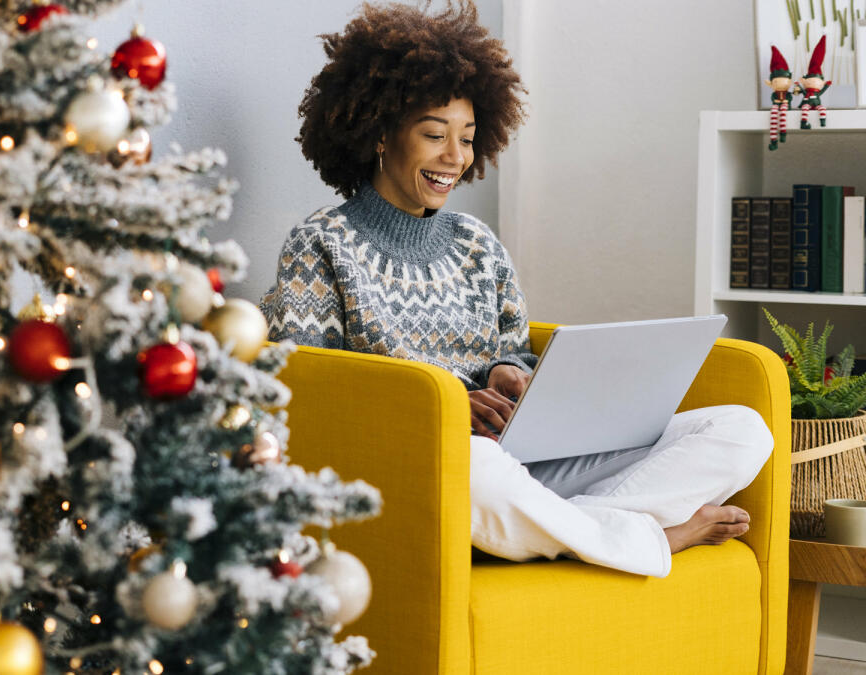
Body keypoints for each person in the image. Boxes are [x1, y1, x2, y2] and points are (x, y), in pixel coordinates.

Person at [259, 0, 773, 577]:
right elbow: (311, 392)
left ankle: (558, 530)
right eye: (434, 135)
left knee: (740, 429)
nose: (454, 158)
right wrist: (450, 403)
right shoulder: (321, 244)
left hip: (525, 459)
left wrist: (511, 370)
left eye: (468, 138)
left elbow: (510, 344)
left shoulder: (479, 244)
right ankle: (650, 538)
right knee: (477, 470)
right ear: (380, 133)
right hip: (436, 461)